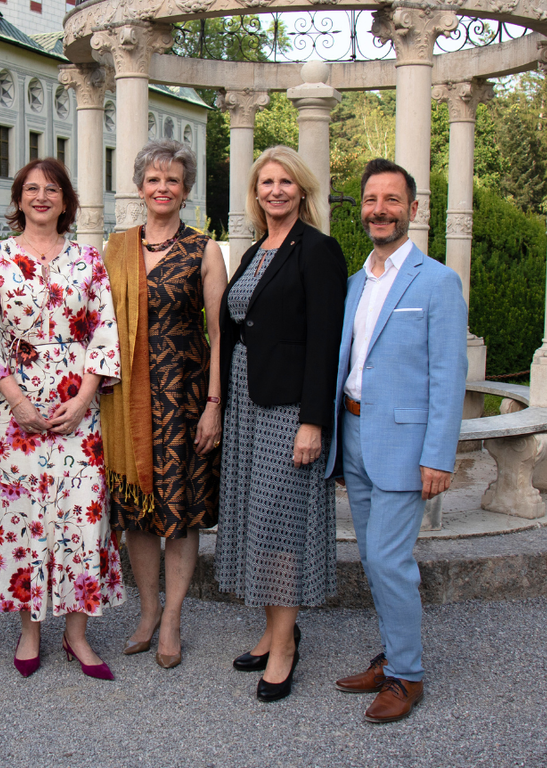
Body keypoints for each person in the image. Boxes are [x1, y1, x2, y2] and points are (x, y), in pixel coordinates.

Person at [0, 158, 124, 681]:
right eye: (31, 189)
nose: (40, 197)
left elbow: (104, 335)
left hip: (78, 409)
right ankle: (30, 627)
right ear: (18, 198)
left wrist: (81, 401)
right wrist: (18, 403)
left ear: (65, 199)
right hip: (12, 413)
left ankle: (77, 634)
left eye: (51, 189)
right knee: (22, 516)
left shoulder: (88, 259)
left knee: (82, 516)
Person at [326, 158, 467, 723]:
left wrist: (438, 455)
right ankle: (391, 656)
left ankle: (407, 675)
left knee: (388, 560)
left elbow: (448, 375)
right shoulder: (356, 283)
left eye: (391, 200)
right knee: (372, 556)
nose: (379, 210)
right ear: (361, 208)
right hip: (355, 434)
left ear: (412, 209)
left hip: (406, 446)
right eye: (370, 200)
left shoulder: (436, 281)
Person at [214, 146, 347, 702]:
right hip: (247, 400)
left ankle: (287, 645)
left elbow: (325, 343)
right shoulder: (252, 252)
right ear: (256, 191)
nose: (275, 190)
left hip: (288, 408)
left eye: (285, 182)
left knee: (282, 522)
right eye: (266, 182)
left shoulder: (318, 250)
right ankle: (274, 630)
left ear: (302, 190)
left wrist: (314, 422)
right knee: (257, 518)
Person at [99, 140, 226, 669]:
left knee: (181, 512)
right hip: (126, 401)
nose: (162, 188)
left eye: (172, 180)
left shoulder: (204, 250)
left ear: (186, 190)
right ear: (139, 187)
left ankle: (173, 616)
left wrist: (215, 404)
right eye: (154, 179)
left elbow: (220, 334)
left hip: (183, 399)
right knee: (136, 513)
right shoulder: (116, 247)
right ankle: (147, 611)